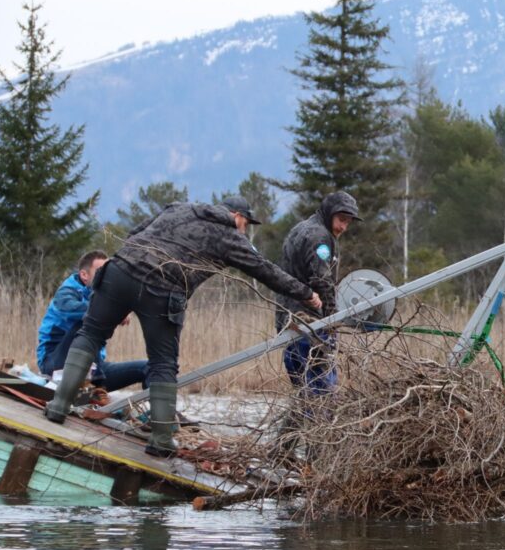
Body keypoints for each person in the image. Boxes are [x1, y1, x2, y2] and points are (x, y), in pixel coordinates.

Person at [43, 195, 322, 458]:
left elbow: (135, 234)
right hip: (162, 289)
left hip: (120, 270)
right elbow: (265, 270)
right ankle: (162, 439)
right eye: (246, 224)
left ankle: (59, 405)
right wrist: (306, 294)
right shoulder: (228, 237)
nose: (245, 231)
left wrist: (129, 280)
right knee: (163, 361)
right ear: (236, 217)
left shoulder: (180, 207)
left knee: (90, 334)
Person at [275, 191, 361, 395]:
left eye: (348, 222)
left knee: (302, 388)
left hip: (288, 319)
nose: (343, 227)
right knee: (321, 387)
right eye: (341, 220)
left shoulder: (301, 228)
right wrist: (332, 319)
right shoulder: (320, 237)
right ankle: (319, 424)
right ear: (330, 213)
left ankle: (303, 425)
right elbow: (322, 280)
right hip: (310, 322)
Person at [37, 251, 149, 392]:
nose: (106, 277)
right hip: (56, 364)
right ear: (84, 275)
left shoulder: (105, 294)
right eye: (101, 272)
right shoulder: (67, 291)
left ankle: (155, 412)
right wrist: (113, 311)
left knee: (149, 368)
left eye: (108, 272)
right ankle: (93, 385)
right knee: (86, 323)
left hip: (94, 368)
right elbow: (69, 308)